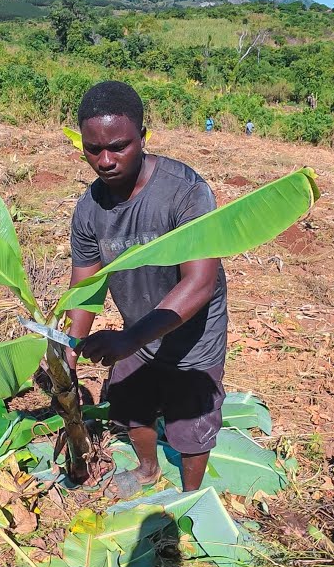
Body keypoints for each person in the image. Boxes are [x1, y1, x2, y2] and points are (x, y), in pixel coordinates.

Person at [67, 81, 228, 498]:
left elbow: (200, 282)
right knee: (131, 405)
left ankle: (190, 496)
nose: (104, 161)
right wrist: (70, 343)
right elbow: (86, 281)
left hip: (192, 334)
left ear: (143, 137)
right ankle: (147, 469)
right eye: (92, 149)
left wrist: (129, 339)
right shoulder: (90, 208)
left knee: (189, 427)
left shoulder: (185, 191)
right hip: (136, 331)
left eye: (118, 147)